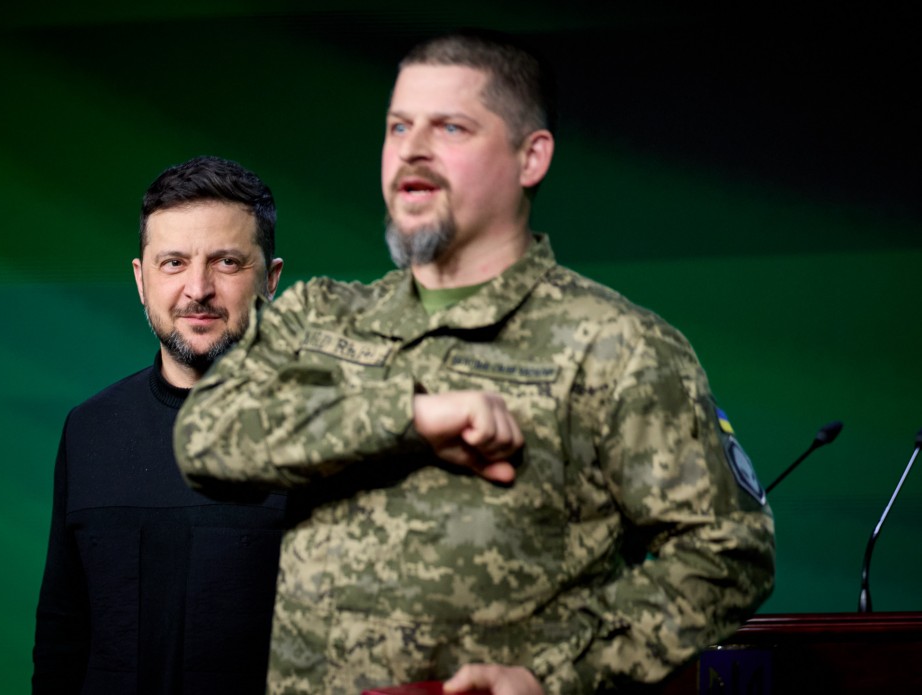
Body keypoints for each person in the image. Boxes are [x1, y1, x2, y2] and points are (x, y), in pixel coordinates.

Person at [174, 32, 776, 695]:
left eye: (450, 127)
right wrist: (410, 416)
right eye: (398, 126)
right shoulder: (318, 316)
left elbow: (728, 553)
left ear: (531, 157)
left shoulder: (618, 345)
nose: (412, 149)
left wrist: (556, 676)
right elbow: (205, 438)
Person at [32, 155, 287, 694]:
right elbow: (61, 639)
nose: (198, 288)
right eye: (173, 263)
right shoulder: (89, 431)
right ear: (141, 280)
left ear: (271, 280)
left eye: (226, 262)